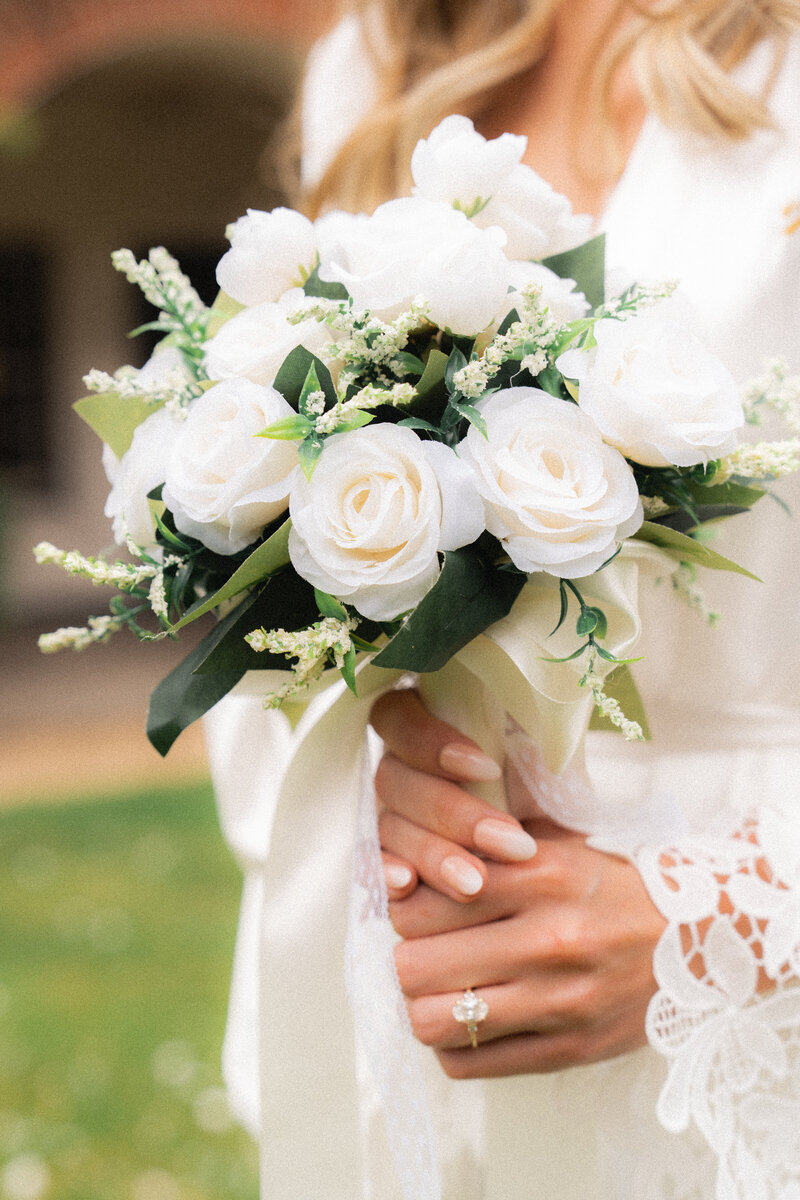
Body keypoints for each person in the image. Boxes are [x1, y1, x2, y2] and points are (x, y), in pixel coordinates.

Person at [204, 1, 800, 1196]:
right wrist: (382, 767)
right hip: (435, 965)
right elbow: (277, 543)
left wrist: (724, 924)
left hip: (733, 1005)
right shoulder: (378, 58)